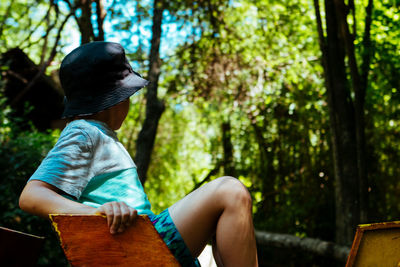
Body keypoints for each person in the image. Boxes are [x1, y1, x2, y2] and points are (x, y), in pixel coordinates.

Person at [19, 41, 258, 267]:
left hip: (141, 240)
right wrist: (95, 213)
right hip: (136, 245)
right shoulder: (84, 132)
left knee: (221, 211)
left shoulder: (99, 135)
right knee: (231, 191)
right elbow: (31, 196)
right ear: (114, 100)